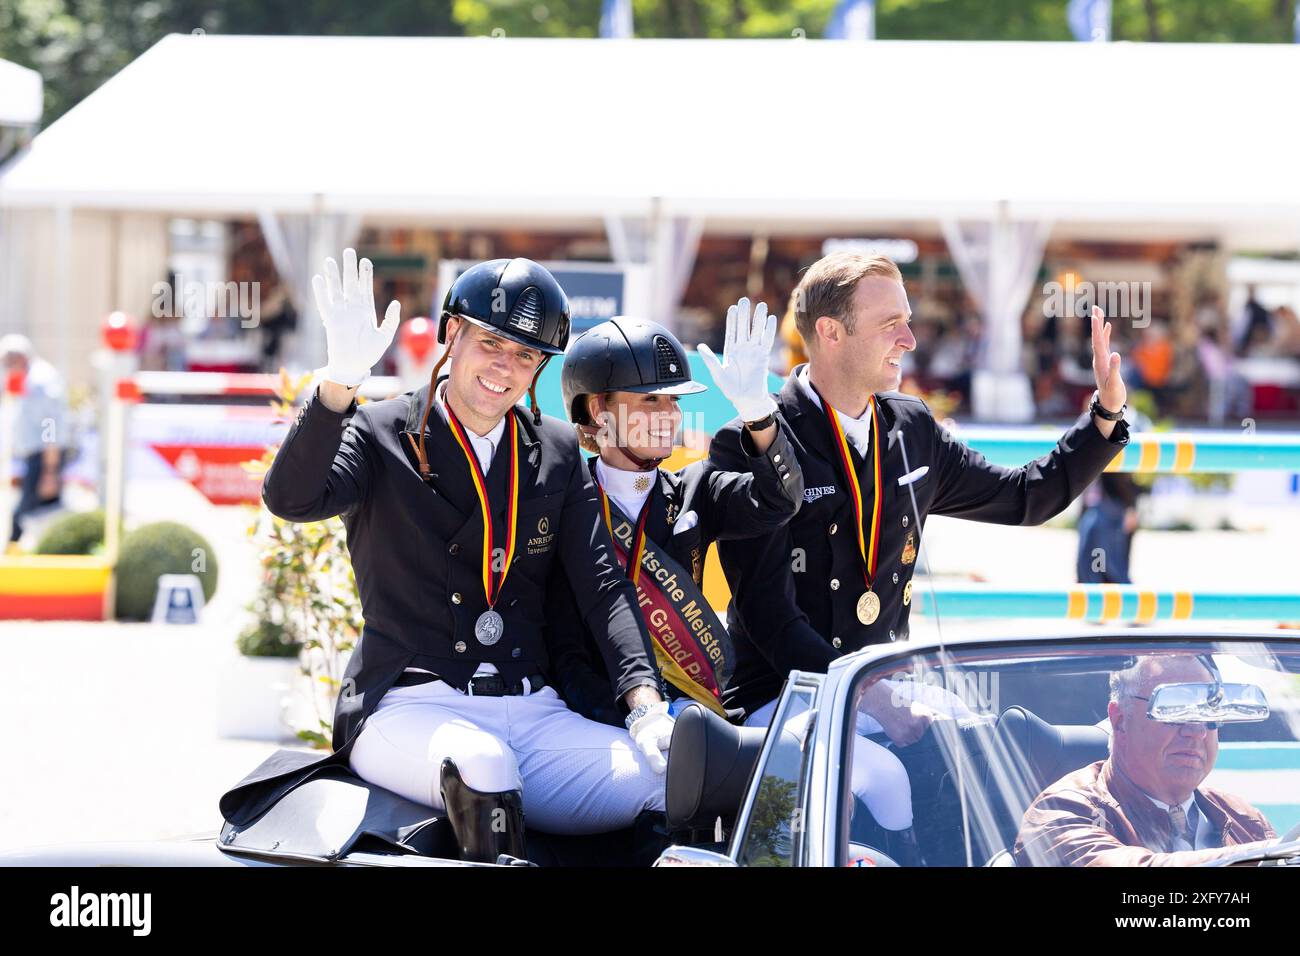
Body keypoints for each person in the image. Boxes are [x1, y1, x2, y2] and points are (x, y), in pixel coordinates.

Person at [218, 251, 671, 864]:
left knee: (667, 779)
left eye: (526, 355)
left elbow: (602, 586)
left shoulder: (558, 452)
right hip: (408, 703)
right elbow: (291, 499)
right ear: (452, 333)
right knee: (483, 763)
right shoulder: (380, 431)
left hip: (531, 708)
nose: (505, 367)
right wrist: (336, 385)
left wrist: (644, 705)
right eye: (492, 342)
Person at [707, 252, 1131, 855]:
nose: (911, 339)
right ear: (830, 333)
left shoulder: (912, 429)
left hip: (885, 688)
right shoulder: (755, 441)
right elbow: (770, 621)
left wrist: (1105, 417)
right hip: (786, 696)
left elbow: (1024, 498)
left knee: (996, 751)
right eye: (891, 324)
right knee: (888, 782)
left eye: (907, 320)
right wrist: (870, 691)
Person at [546, 304, 801, 725]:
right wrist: (634, 714)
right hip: (590, 714)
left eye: (673, 400)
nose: (670, 415)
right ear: (597, 410)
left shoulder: (697, 489)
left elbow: (780, 500)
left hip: (692, 708)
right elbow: (562, 646)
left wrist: (758, 414)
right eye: (651, 400)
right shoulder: (563, 500)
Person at [1013, 655, 1277, 866]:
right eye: (1174, 708)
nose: (1197, 730)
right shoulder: (1061, 812)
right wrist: (1271, 853)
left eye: (1210, 710)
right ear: (1120, 720)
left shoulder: (1245, 819)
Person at [2, 334, 69, 549]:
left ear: (19, 358)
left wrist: (50, 468)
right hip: (38, 454)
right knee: (45, 508)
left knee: (25, 509)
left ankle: (11, 550)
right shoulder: (30, 377)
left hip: (44, 455)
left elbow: (50, 423)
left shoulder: (39, 380)